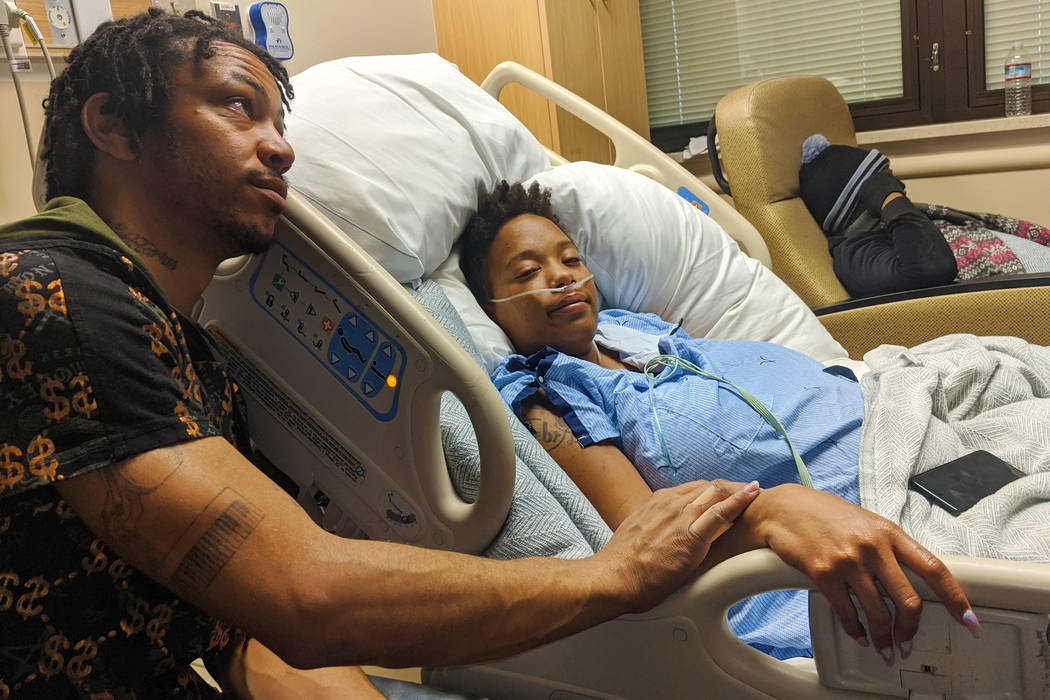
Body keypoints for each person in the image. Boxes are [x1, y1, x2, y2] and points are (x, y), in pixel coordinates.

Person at [0, 10, 766, 699]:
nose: (279, 147)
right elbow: (306, 596)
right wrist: (614, 576)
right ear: (115, 126)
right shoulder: (46, 296)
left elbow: (246, 636)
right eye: (237, 104)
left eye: (278, 120)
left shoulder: (176, 342)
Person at [457, 180, 987, 662]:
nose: (563, 277)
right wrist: (768, 516)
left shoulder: (627, 328)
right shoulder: (550, 395)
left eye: (570, 259)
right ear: (492, 307)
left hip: (911, 431)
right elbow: (652, 544)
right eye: (528, 272)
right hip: (867, 498)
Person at [798, 133, 1050, 298]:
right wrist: (891, 200)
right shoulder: (857, 252)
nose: (898, 186)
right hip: (1031, 297)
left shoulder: (892, 225)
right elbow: (931, 268)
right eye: (886, 179)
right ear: (861, 198)